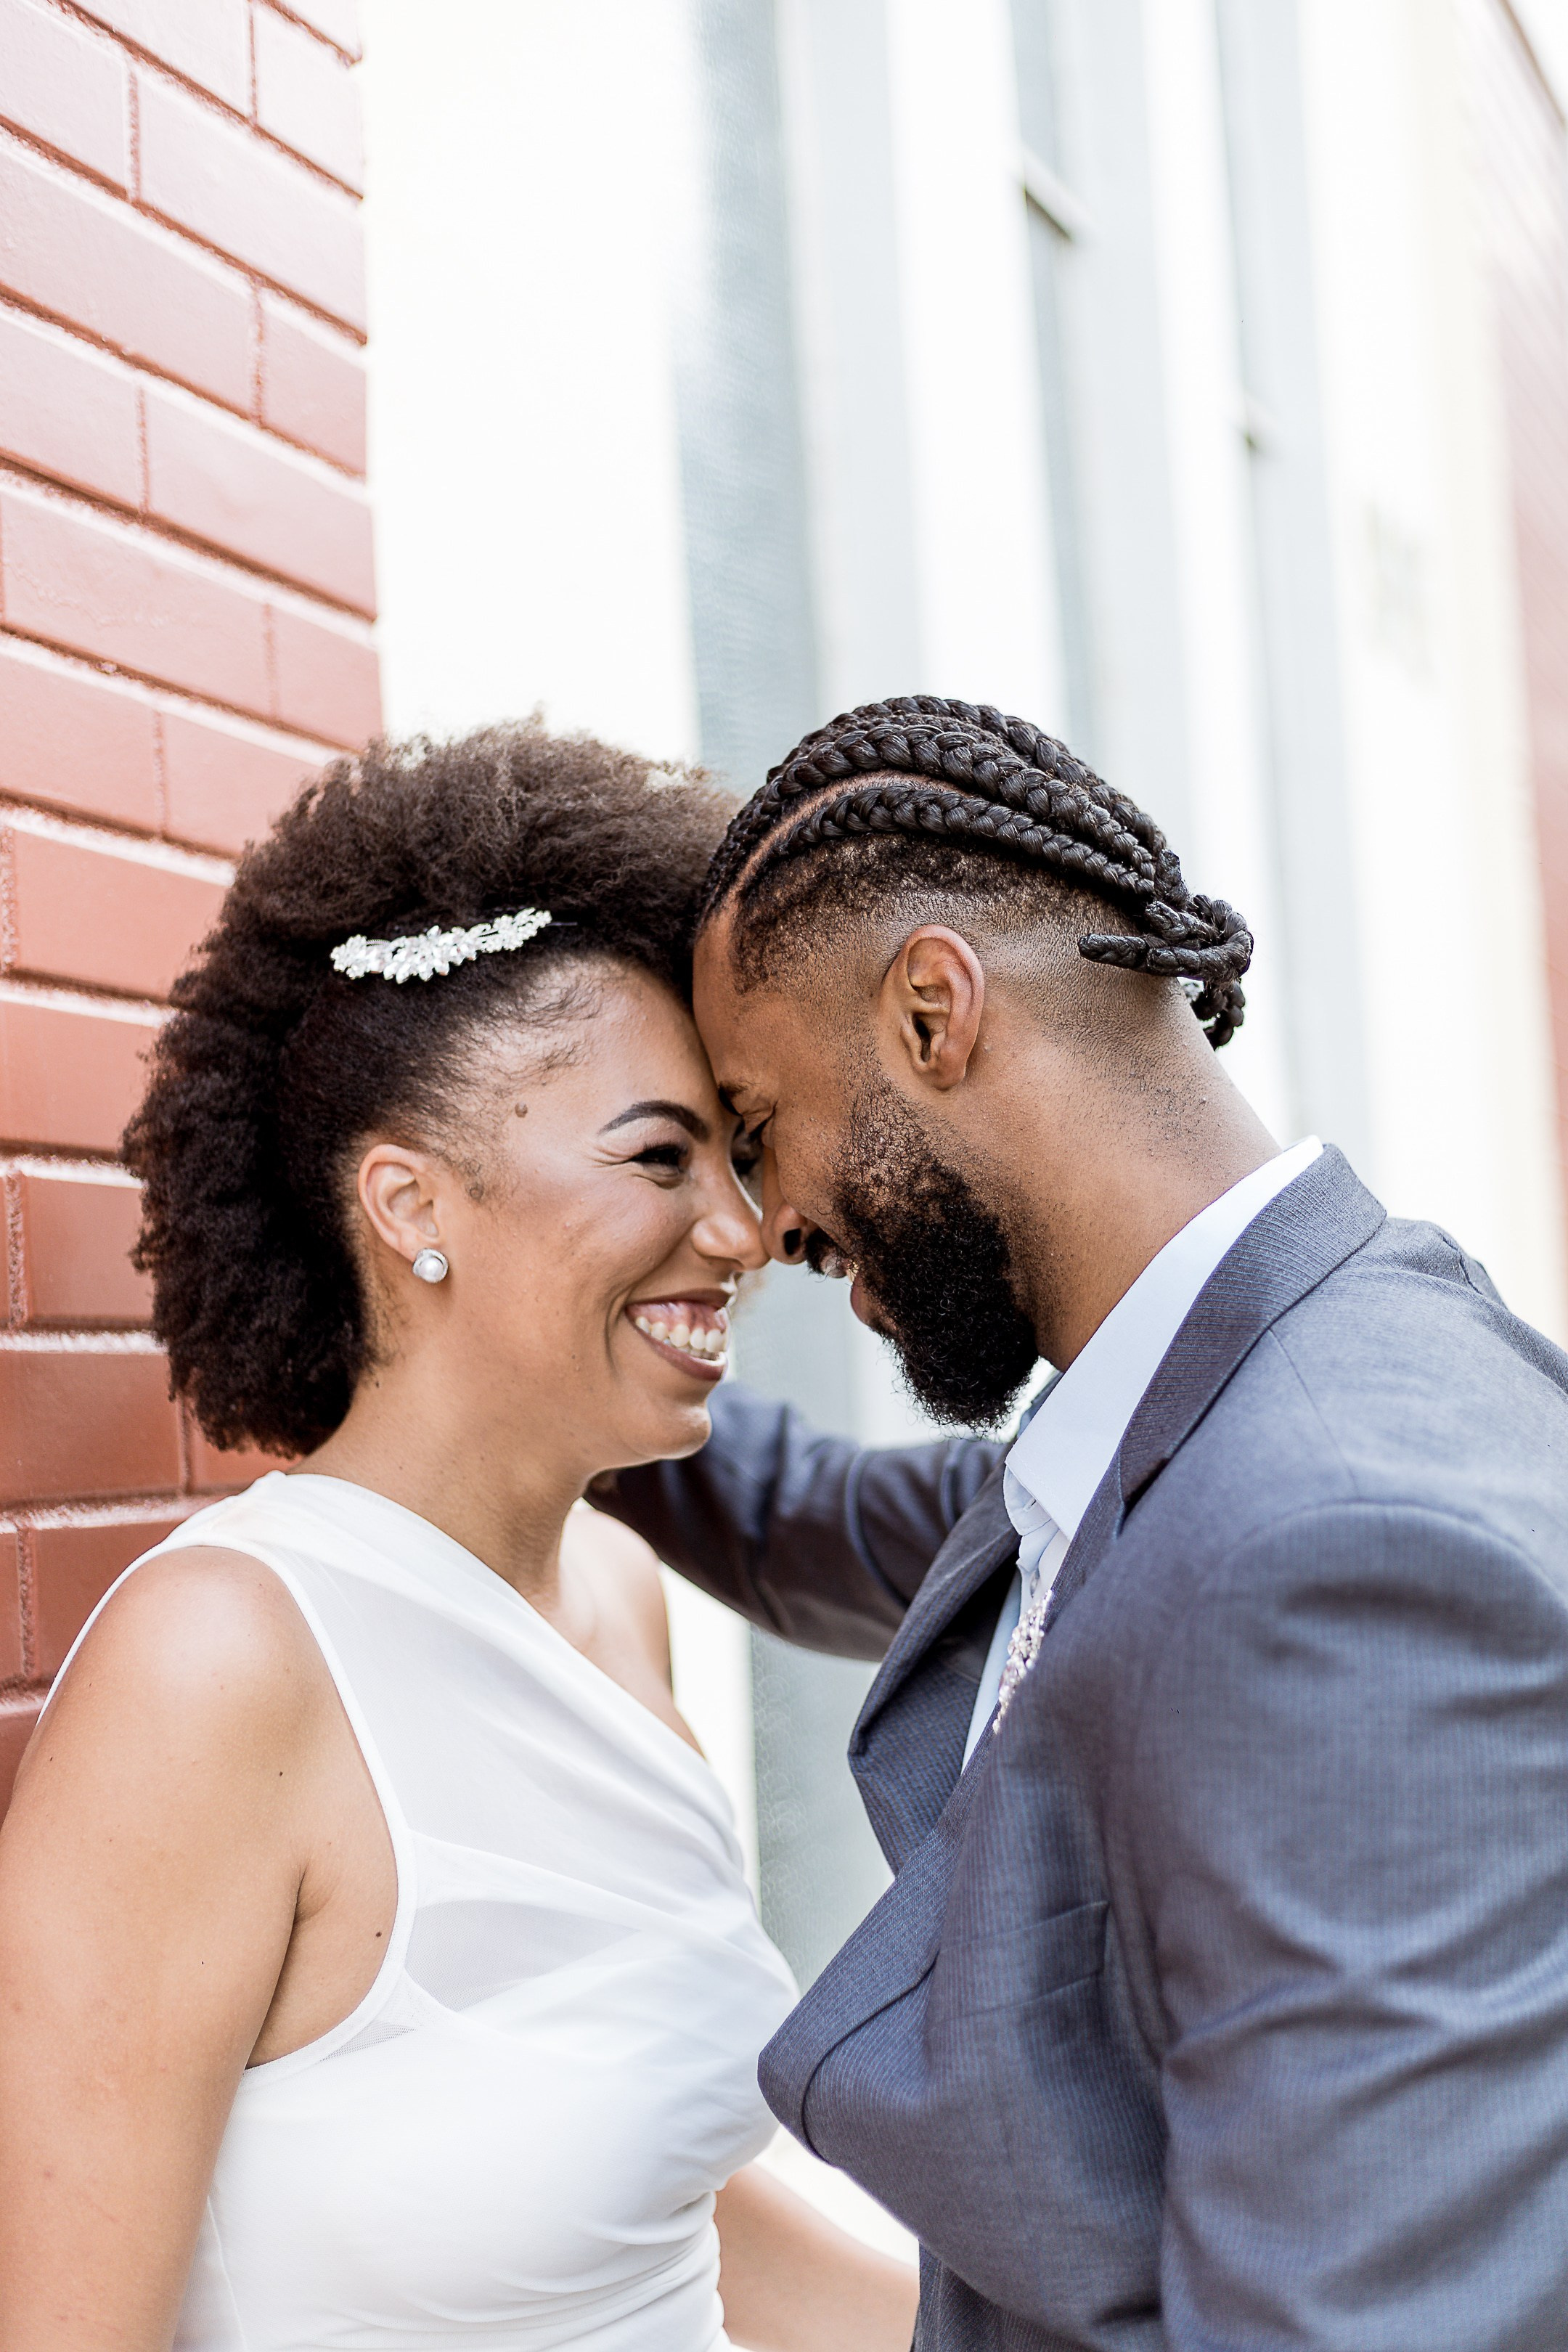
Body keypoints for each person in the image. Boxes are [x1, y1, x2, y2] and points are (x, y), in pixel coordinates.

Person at [604, 695, 1568, 2350]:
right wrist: (546, 1340)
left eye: (759, 1130)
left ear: (932, 1012)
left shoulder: (1324, 1546)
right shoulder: (1238, 1392)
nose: (768, 1226)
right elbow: (803, 1515)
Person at [0, 725, 918, 2352]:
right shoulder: (215, 1669)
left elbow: (657, 2215)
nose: (741, 1228)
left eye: (735, 1155)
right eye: (660, 1155)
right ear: (412, 1206)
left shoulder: (617, 1591)